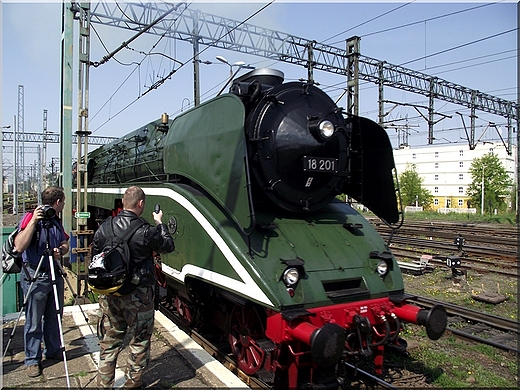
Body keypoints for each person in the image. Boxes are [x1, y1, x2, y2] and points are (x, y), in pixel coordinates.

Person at [92, 186, 175, 389]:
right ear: (141, 204)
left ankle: (104, 384)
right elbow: (168, 246)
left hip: (111, 294)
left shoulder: (105, 227)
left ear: (122, 201)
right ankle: (133, 383)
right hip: (138, 296)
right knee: (139, 341)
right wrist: (159, 223)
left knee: (109, 341)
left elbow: (95, 256)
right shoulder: (146, 230)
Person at [14, 186, 70, 378]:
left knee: (54, 315)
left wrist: (60, 250)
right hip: (35, 276)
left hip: (53, 272)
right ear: (58, 202)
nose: (63, 205)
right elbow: (19, 246)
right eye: (63, 202)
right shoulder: (31, 218)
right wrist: (33, 222)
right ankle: (32, 360)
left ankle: (53, 349)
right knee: (33, 321)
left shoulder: (55, 220)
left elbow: (64, 243)